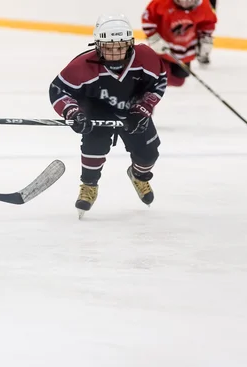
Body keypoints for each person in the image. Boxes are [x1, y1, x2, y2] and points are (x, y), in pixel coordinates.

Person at [49, 14, 167, 219]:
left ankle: (138, 175)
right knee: (94, 146)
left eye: (120, 46)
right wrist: (73, 113)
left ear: (130, 44)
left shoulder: (146, 58)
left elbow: (159, 82)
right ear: (97, 45)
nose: (114, 53)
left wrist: (143, 108)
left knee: (149, 154)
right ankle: (88, 185)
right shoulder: (82, 66)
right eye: (108, 47)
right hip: (97, 110)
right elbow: (59, 91)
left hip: (133, 110)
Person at [142, 0, 217, 86]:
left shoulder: (203, 6)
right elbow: (149, 18)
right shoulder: (162, 2)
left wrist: (204, 39)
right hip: (163, 47)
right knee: (161, 74)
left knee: (179, 81)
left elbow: (208, 23)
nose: (186, 3)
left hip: (186, 49)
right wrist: (153, 37)